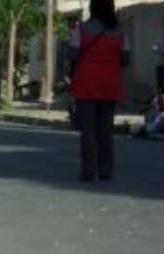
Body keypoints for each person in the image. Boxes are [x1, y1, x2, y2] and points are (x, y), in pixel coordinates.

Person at [68, 0, 129, 182]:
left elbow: (72, 54)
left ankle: (88, 170)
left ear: (93, 9)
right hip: (109, 83)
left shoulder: (81, 29)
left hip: (86, 83)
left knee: (88, 129)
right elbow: (125, 59)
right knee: (105, 129)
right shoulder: (120, 31)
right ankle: (105, 169)